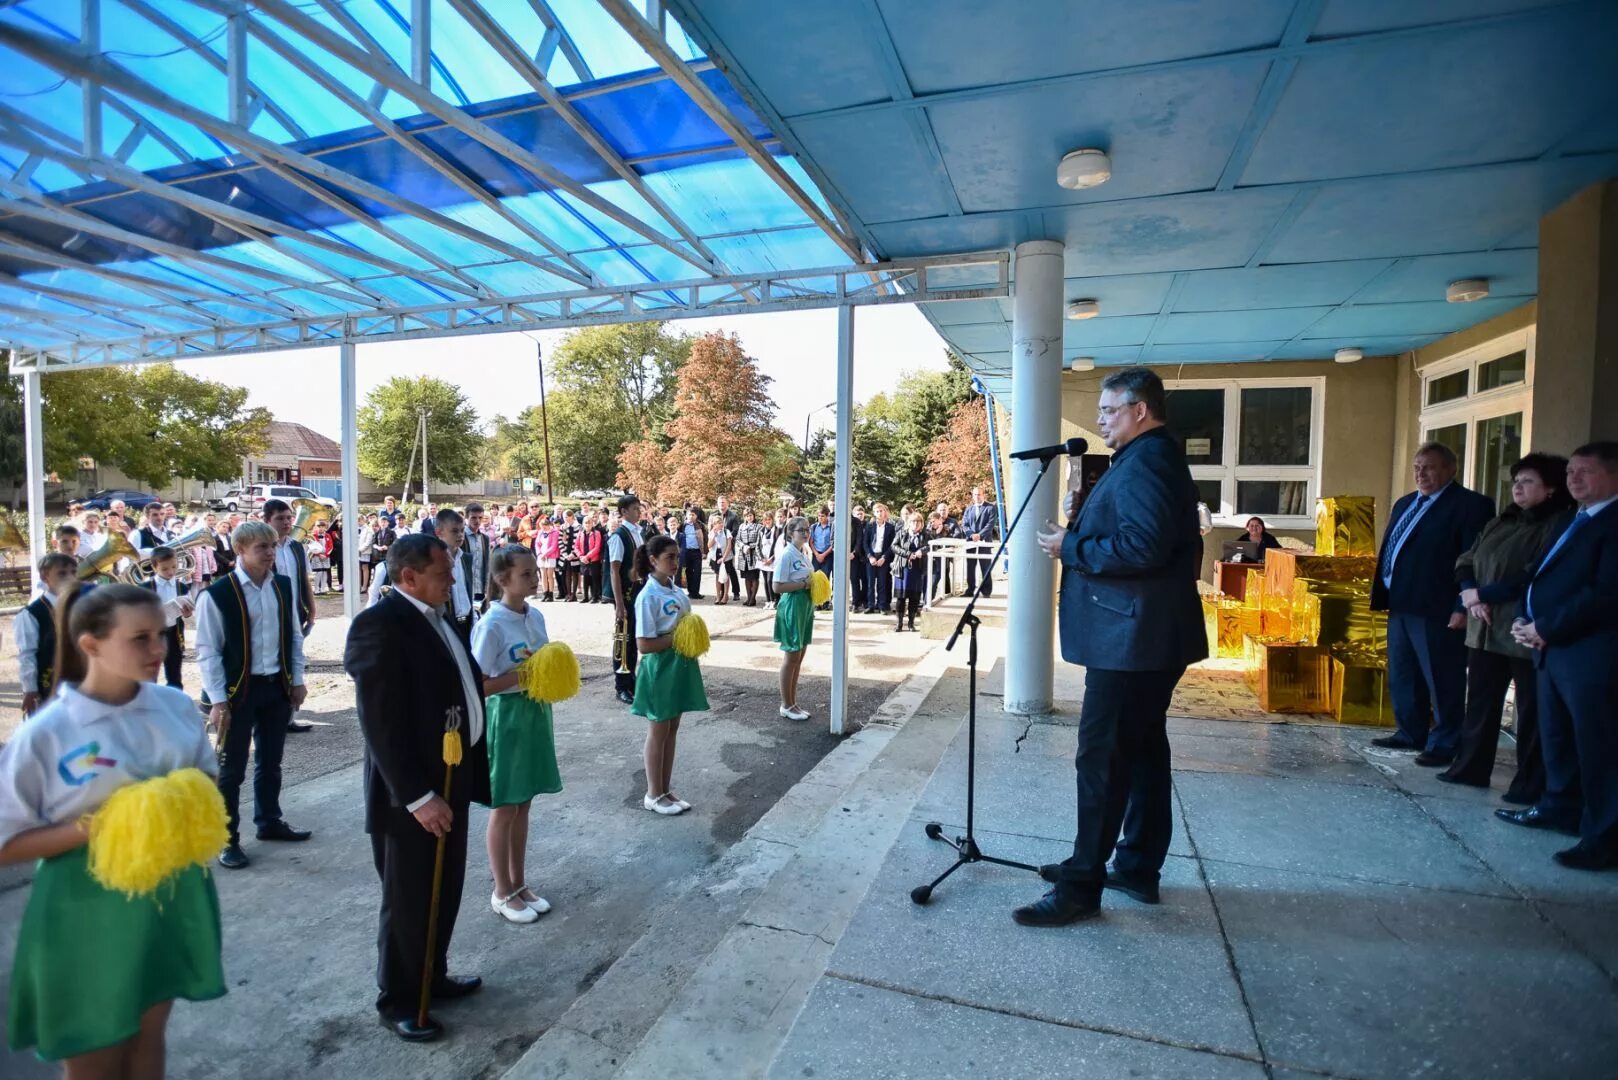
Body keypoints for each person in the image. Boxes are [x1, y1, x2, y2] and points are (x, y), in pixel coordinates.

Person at [0, 583, 227, 1073]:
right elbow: (5, 843)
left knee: (149, 1039)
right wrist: (103, 825)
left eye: (161, 635)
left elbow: (207, 778)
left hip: (169, 892)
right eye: (140, 638)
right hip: (87, 905)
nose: (158, 650)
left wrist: (177, 800)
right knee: (96, 1050)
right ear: (90, 645)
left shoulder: (175, 706)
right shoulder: (48, 733)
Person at [1020, 368, 1207, 927]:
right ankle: (1136, 866)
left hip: (1134, 640)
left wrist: (1069, 545)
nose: (1099, 419)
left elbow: (1141, 547)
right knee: (1145, 753)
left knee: (1102, 756)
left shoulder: (1149, 461)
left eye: (1108, 410)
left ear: (1140, 410)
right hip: (1144, 637)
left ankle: (1082, 886)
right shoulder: (1150, 457)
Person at [344, 533, 491, 1040]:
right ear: (408, 576)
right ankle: (400, 998)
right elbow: (380, 725)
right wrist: (418, 797)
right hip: (412, 795)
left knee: (443, 887)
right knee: (409, 897)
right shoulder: (378, 626)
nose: (453, 580)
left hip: (452, 775)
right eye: (443, 572)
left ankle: (432, 976)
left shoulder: (436, 613)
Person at [1496, 442, 1618, 870]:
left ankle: (1603, 838)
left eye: (1586, 472)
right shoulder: (1573, 520)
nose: (1574, 479)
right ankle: (1557, 807)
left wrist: (1546, 626)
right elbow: (1538, 576)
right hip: (1551, 651)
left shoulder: (1613, 524)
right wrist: (1526, 618)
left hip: (1591, 656)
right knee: (1558, 738)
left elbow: (1604, 595)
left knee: (1599, 748)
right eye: (1571, 472)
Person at [1442, 454, 1572, 798]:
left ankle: (1528, 786)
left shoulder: (1556, 524)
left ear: (1550, 489)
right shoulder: (1502, 521)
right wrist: (1469, 592)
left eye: (1528, 481)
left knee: (1530, 712)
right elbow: (1466, 558)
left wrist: (1482, 593)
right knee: (1481, 703)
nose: (1517, 487)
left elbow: (1532, 573)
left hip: (1519, 630)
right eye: (1516, 481)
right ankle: (1469, 768)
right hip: (1482, 627)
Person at [194, 520, 311, 870]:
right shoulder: (217, 593)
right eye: (262, 547)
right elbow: (208, 651)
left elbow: (293, 635)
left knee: (271, 761)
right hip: (236, 692)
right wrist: (218, 701)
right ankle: (226, 839)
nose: (271, 553)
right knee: (232, 770)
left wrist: (297, 679)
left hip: (274, 685)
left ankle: (269, 821)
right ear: (240, 550)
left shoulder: (282, 586)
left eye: (273, 546)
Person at [1369, 443, 1496, 766]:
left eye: (1429, 467)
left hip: (1438, 607)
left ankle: (1446, 741)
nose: (1421, 474)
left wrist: (1461, 604)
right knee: (1403, 673)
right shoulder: (1407, 503)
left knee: (1442, 677)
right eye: (1417, 467)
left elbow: (1473, 560)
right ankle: (1411, 731)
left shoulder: (1471, 506)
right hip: (1400, 601)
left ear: (1451, 469)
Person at [471, 546, 560, 924]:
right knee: (505, 805)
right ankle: (501, 890)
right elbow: (478, 684)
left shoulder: (535, 615)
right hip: (505, 717)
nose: (534, 578)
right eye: (526, 573)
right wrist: (522, 678)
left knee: (524, 803)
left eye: (534, 571)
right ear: (502, 579)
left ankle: (520, 883)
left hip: (534, 713)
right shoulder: (491, 624)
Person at [631, 534, 708, 813]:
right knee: (658, 729)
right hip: (660, 667)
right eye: (670, 557)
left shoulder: (676, 590)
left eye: (677, 556)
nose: (676, 562)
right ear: (653, 561)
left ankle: (665, 788)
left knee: (672, 728)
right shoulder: (648, 596)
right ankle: (652, 794)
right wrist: (678, 638)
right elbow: (644, 644)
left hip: (680, 664)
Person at [15, 553, 78, 716]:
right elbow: (27, 654)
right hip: (48, 686)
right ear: (45, 576)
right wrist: (30, 689)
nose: (70, 578)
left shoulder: (81, 607)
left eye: (73, 572)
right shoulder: (32, 614)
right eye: (62, 573)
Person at [773, 516, 815, 721]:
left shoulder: (803, 553)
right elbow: (777, 586)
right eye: (801, 530)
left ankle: (793, 702)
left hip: (805, 605)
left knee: (799, 657)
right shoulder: (787, 554)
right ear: (790, 533)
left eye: (807, 529)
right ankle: (786, 704)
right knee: (791, 657)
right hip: (792, 605)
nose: (806, 533)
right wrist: (803, 585)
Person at [605, 495, 646, 705]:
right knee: (623, 638)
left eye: (639, 508)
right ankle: (621, 685)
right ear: (623, 512)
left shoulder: (639, 533)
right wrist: (619, 604)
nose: (639, 512)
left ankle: (631, 679)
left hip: (638, 591)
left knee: (634, 639)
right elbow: (614, 570)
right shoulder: (619, 536)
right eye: (635, 509)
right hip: (625, 594)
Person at [144, 545, 194, 691]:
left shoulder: (182, 587)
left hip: (174, 633)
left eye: (174, 567)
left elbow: (188, 612)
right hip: (152, 634)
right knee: (149, 671)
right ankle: (149, 700)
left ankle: (175, 700)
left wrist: (187, 613)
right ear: (154, 567)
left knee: (174, 670)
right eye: (165, 569)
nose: (171, 572)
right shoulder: (146, 587)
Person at [961, 487, 998, 598]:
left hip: (985, 542)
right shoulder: (969, 509)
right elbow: (965, 524)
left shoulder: (990, 508)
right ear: (972, 496)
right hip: (971, 542)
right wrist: (971, 535)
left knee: (985, 567)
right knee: (970, 567)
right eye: (975, 495)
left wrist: (980, 535)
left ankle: (986, 591)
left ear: (983, 495)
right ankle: (970, 590)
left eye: (979, 494)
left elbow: (990, 524)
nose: (977, 497)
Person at [894, 511, 927, 632]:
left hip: (917, 570)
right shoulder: (902, 533)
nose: (916, 524)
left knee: (914, 598)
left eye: (918, 521)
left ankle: (911, 623)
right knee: (901, 598)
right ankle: (899, 624)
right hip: (903, 569)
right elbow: (894, 546)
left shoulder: (925, 534)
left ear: (922, 523)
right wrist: (908, 554)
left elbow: (931, 546)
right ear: (909, 522)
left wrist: (921, 552)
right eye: (913, 521)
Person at [865, 503, 896, 615]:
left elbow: (892, 545)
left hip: (883, 558)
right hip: (872, 557)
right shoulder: (869, 526)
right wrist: (870, 556)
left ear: (885, 512)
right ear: (874, 513)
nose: (879, 513)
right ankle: (870, 605)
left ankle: (882, 606)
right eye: (877, 511)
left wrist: (884, 557)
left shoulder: (890, 528)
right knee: (870, 583)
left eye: (881, 511)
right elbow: (865, 543)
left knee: (882, 583)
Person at [463, 503, 493, 614]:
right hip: (464, 587)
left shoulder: (484, 538)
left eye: (480, 518)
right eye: (473, 518)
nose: (477, 521)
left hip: (479, 587)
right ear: (466, 518)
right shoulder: (461, 537)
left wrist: (487, 586)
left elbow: (487, 564)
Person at [736, 508, 764, 607]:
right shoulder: (741, 526)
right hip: (744, 554)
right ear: (744, 517)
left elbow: (760, 541)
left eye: (751, 515)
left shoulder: (759, 527)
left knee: (754, 577)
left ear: (754, 516)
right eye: (747, 515)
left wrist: (750, 546)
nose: (749, 517)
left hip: (754, 554)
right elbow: (738, 540)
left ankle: (753, 598)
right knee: (747, 578)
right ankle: (748, 597)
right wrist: (743, 546)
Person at [810, 507, 835, 610]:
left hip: (827, 555)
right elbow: (811, 542)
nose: (820, 518)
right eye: (819, 516)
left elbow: (832, 543)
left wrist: (823, 555)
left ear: (827, 515)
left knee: (825, 577)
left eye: (823, 516)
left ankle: (825, 601)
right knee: (816, 578)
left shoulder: (832, 527)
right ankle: (817, 601)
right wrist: (816, 554)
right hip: (816, 554)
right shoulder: (814, 527)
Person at [679, 507, 706, 600]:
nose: (691, 516)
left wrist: (704, 552)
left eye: (693, 515)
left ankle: (696, 592)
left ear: (696, 516)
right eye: (689, 514)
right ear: (686, 515)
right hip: (686, 552)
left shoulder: (700, 525)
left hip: (697, 551)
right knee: (688, 571)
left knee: (697, 572)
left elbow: (704, 538)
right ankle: (690, 591)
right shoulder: (682, 525)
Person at [847, 504, 869, 612]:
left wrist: (854, 552)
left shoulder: (865, 524)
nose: (859, 516)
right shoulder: (845, 521)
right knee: (854, 579)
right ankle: (856, 602)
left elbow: (860, 540)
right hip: (852, 557)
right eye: (857, 513)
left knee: (864, 580)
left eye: (861, 514)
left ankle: (864, 601)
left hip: (863, 556)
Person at [532, 515, 559, 602]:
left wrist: (545, 554)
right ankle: (545, 593)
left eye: (545, 526)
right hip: (541, 555)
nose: (543, 528)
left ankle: (551, 594)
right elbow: (537, 544)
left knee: (549, 575)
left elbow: (554, 546)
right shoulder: (540, 532)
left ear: (548, 525)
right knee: (543, 575)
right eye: (542, 526)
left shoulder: (554, 532)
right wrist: (539, 554)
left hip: (550, 555)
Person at [707, 512, 732, 605]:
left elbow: (729, 546)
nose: (720, 524)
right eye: (717, 523)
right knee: (718, 576)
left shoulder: (727, 532)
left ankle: (725, 595)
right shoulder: (712, 533)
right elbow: (709, 545)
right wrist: (714, 534)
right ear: (714, 524)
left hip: (725, 556)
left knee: (726, 576)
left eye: (721, 522)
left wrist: (724, 558)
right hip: (715, 555)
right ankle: (718, 596)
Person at [308, 520, 333, 594]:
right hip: (316, 556)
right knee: (318, 572)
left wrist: (326, 555)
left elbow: (330, 546)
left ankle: (323, 589)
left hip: (326, 556)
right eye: (319, 526)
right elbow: (312, 547)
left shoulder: (328, 535)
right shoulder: (313, 536)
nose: (321, 528)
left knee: (324, 572)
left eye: (322, 527)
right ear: (316, 527)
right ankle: (316, 589)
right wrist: (319, 554)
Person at [356, 513, 377, 594]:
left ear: (363, 520)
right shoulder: (354, 528)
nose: (358, 522)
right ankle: (358, 585)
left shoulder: (368, 529)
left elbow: (368, 542)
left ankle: (364, 586)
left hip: (365, 552)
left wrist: (360, 550)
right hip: (356, 552)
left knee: (365, 568)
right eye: (357, 521)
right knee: (358, 568)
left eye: (360, 520)